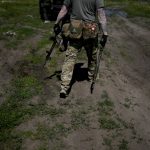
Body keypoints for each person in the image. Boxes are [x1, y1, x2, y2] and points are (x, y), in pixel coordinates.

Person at [54, 0, 108, 98]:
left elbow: (64, 9)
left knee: (70, 57)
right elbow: (101, 14)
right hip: (90, 29)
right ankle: (92, 76)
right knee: (92, 55)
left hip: (75, 29)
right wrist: (105, 33)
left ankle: (64, 87)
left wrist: (56, 23)